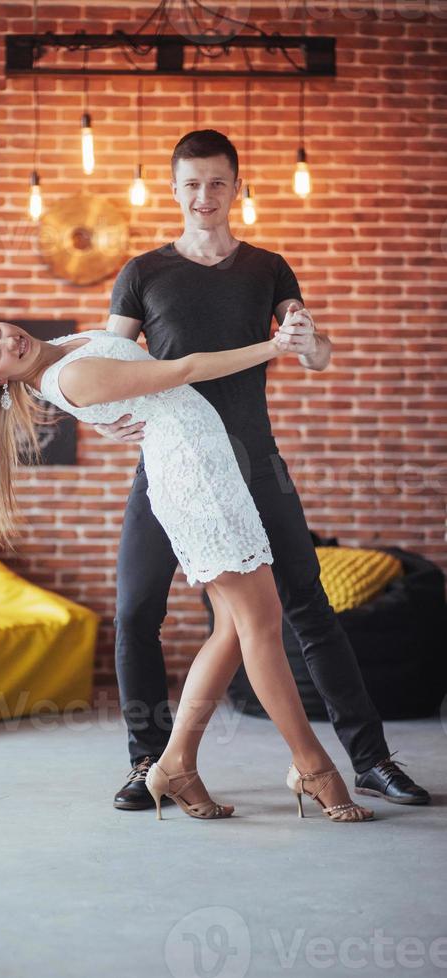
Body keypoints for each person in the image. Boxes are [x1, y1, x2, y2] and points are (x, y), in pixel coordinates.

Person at [0, 263, 376, 823]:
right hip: (195, 480)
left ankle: (175, 765)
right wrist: (275, 348)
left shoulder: (49, 350)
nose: (7, 339)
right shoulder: (68, 377)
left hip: (210, 468)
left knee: (237, 626)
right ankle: (312, 766)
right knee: (260, 624)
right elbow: (187, 368)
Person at [92, 129, 430, 811]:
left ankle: (369, 759)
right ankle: (149, 764)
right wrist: (96, 418)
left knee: (308, 604)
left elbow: (315, 352)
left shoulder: (268, 267)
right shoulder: (143, 272)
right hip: (172, 466)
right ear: (174, 189)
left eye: (217, 182)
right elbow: (105, 363)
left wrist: (314, 342)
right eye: (191, 183)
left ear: (237, 187)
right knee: (135, 610)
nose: (204, 196)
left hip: (254, 459)